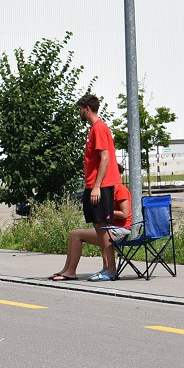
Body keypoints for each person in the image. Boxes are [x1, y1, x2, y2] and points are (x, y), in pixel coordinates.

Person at [74, 93, 122, 281]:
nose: (79, 112)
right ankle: (106, 268)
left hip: (100, 186)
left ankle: (110, 269)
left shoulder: (99, 129)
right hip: (95, 185)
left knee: (103, 228)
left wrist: (97, 187)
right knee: (99, 227)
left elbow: (105, 158)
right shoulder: (95, 129)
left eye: (80, 109)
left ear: (87, 109)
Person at [50, 180, 132, 281]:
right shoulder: (107, 190)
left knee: (76, 235)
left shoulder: (120, 189)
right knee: (74, 234)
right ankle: (66, 269)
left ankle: (71, 272)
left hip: (119, 230)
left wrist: (105, 210)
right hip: (109, 228)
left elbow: (125, 214)